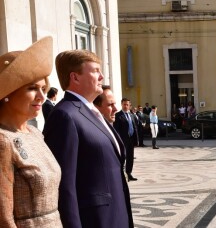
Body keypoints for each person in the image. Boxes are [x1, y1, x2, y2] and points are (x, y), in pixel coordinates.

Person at [43, 50, 134, 228]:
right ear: (75, 77)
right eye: (95, 71)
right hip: (95, 220)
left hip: (115, 214)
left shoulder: (90, 111)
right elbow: (64, 185)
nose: (101, 76)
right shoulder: (65, 115)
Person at [0, 36, 63, 227]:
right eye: (32, 88)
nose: (42, 97)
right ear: (7, 94)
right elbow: (3, 217)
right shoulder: (3, 140)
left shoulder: (35, 133)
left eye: (43, 88)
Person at [114, 98, 139, 181]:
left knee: (130, 158)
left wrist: (136, 140)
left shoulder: (132, 115)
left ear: (129, 106)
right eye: (124, 104)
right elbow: (116, 130)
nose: (125, 106)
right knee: (122, 157)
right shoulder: (118, 115)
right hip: (122, 140)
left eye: (127, 105)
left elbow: (135, 127)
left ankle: (129, 173)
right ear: (121, 104)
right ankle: (121, 175)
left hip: (131, 140)